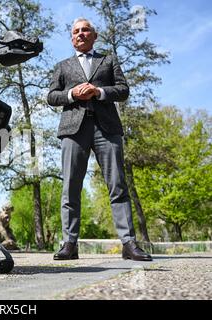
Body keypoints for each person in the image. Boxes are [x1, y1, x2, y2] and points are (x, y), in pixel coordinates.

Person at [47, 18, 151, 261]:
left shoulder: (109, 60)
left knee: (117, 183)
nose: (80, 34)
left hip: (107, 128)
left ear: (94, 35)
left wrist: (99, 91)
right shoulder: (62, 66)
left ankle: (128, 244)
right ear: (72, 38)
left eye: (85, 30)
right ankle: (69, 244)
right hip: (73, 129)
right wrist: (72, 94)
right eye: (76, 31)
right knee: (70, 186)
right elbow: (51, 96)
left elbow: (123, 90)